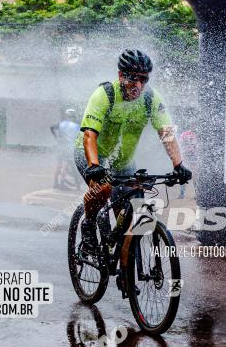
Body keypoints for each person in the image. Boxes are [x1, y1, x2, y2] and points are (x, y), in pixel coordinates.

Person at [75, 49, 192, 256]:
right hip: (92, 155)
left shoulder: (150, 99)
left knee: (136, 216)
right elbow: (89, 135)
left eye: (143, 79)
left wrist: (178, 165)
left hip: (123, 161)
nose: (137, 85)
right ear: (121, 75)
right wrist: (94, 166)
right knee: (102, 190)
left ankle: (127, 272)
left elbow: (167, 134)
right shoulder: (105, 94)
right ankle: (88, 225)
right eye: (132, 78)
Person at [51, 109, 80, 190]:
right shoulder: (76, 126)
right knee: (65, 166)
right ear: (74, 116)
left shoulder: (62, 124)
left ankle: (55, 183)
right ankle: (62, 183)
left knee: (58, 165)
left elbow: (52, 128)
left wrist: (56, 137)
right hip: (68, 147)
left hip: (60, 146)